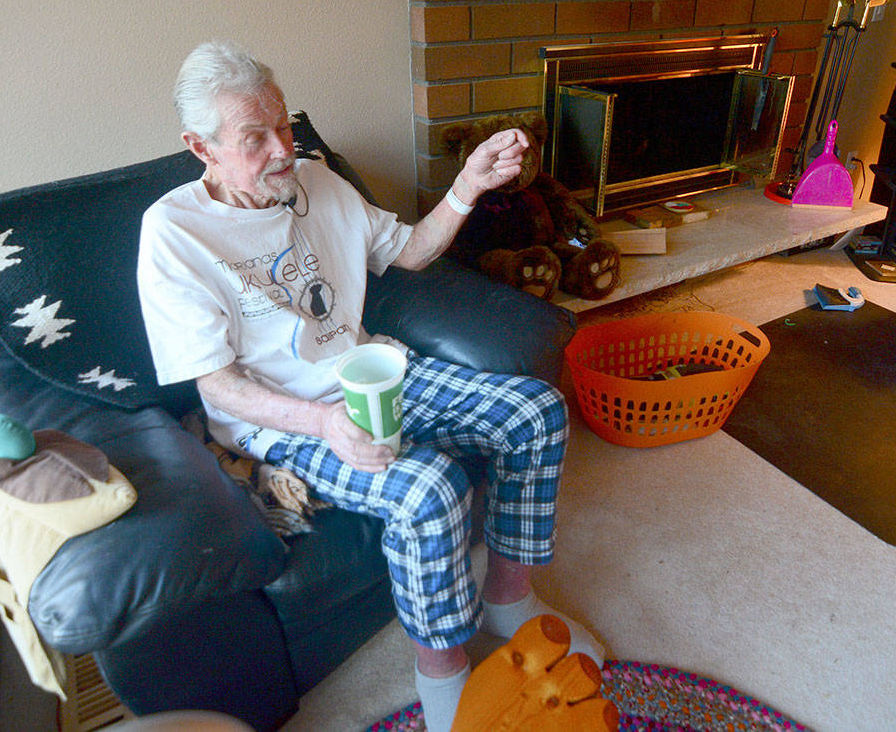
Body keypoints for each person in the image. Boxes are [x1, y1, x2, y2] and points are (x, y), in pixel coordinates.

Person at [137, 41, 604, 731]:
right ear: (199, 147)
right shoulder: (175, 234)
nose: (280, 149)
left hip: (371, 370)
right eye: (255, 137)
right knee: (429, 488)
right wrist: (324, 423)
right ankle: (442, 672)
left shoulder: (316, 181)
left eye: (284, 126)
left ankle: (510, 598)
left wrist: (467, 186)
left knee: (535, 410)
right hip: (284, 420)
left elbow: (407, 252)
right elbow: (218, 388)